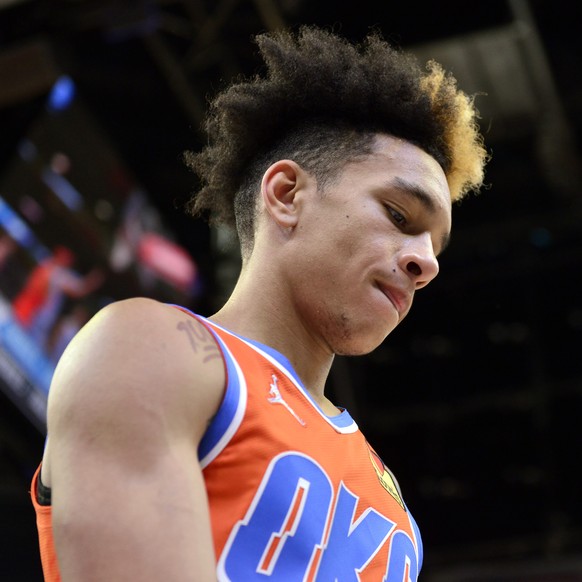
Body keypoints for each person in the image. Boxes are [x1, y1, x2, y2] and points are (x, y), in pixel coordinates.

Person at [31, 26, 488, 581]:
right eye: (398, 216)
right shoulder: (152, 347)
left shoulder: (396, 513)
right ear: (287, 195)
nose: (426, 264)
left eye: (433, 246)